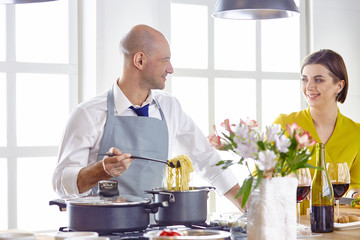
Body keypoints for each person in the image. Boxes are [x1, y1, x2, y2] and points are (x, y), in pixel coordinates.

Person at [52, 24, 242, 209]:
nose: (171, 69)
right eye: (165, 60)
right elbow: (60, 182)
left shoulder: (170, 107)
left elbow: (208, 161)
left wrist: (249, 209)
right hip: (101, 231)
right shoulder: (87, 113)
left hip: (155, 230)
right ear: (140, 61)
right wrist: (100, 171)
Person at [273, 49, 360, 200]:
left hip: (337, 220)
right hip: (290, 220)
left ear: (339, 86)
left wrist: (355, 194)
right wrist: (287, 180)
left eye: (318, 79)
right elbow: (260, 175)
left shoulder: (356, 132)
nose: (309, 87)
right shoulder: (284, 124)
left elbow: (354, 184)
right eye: (304, 79)